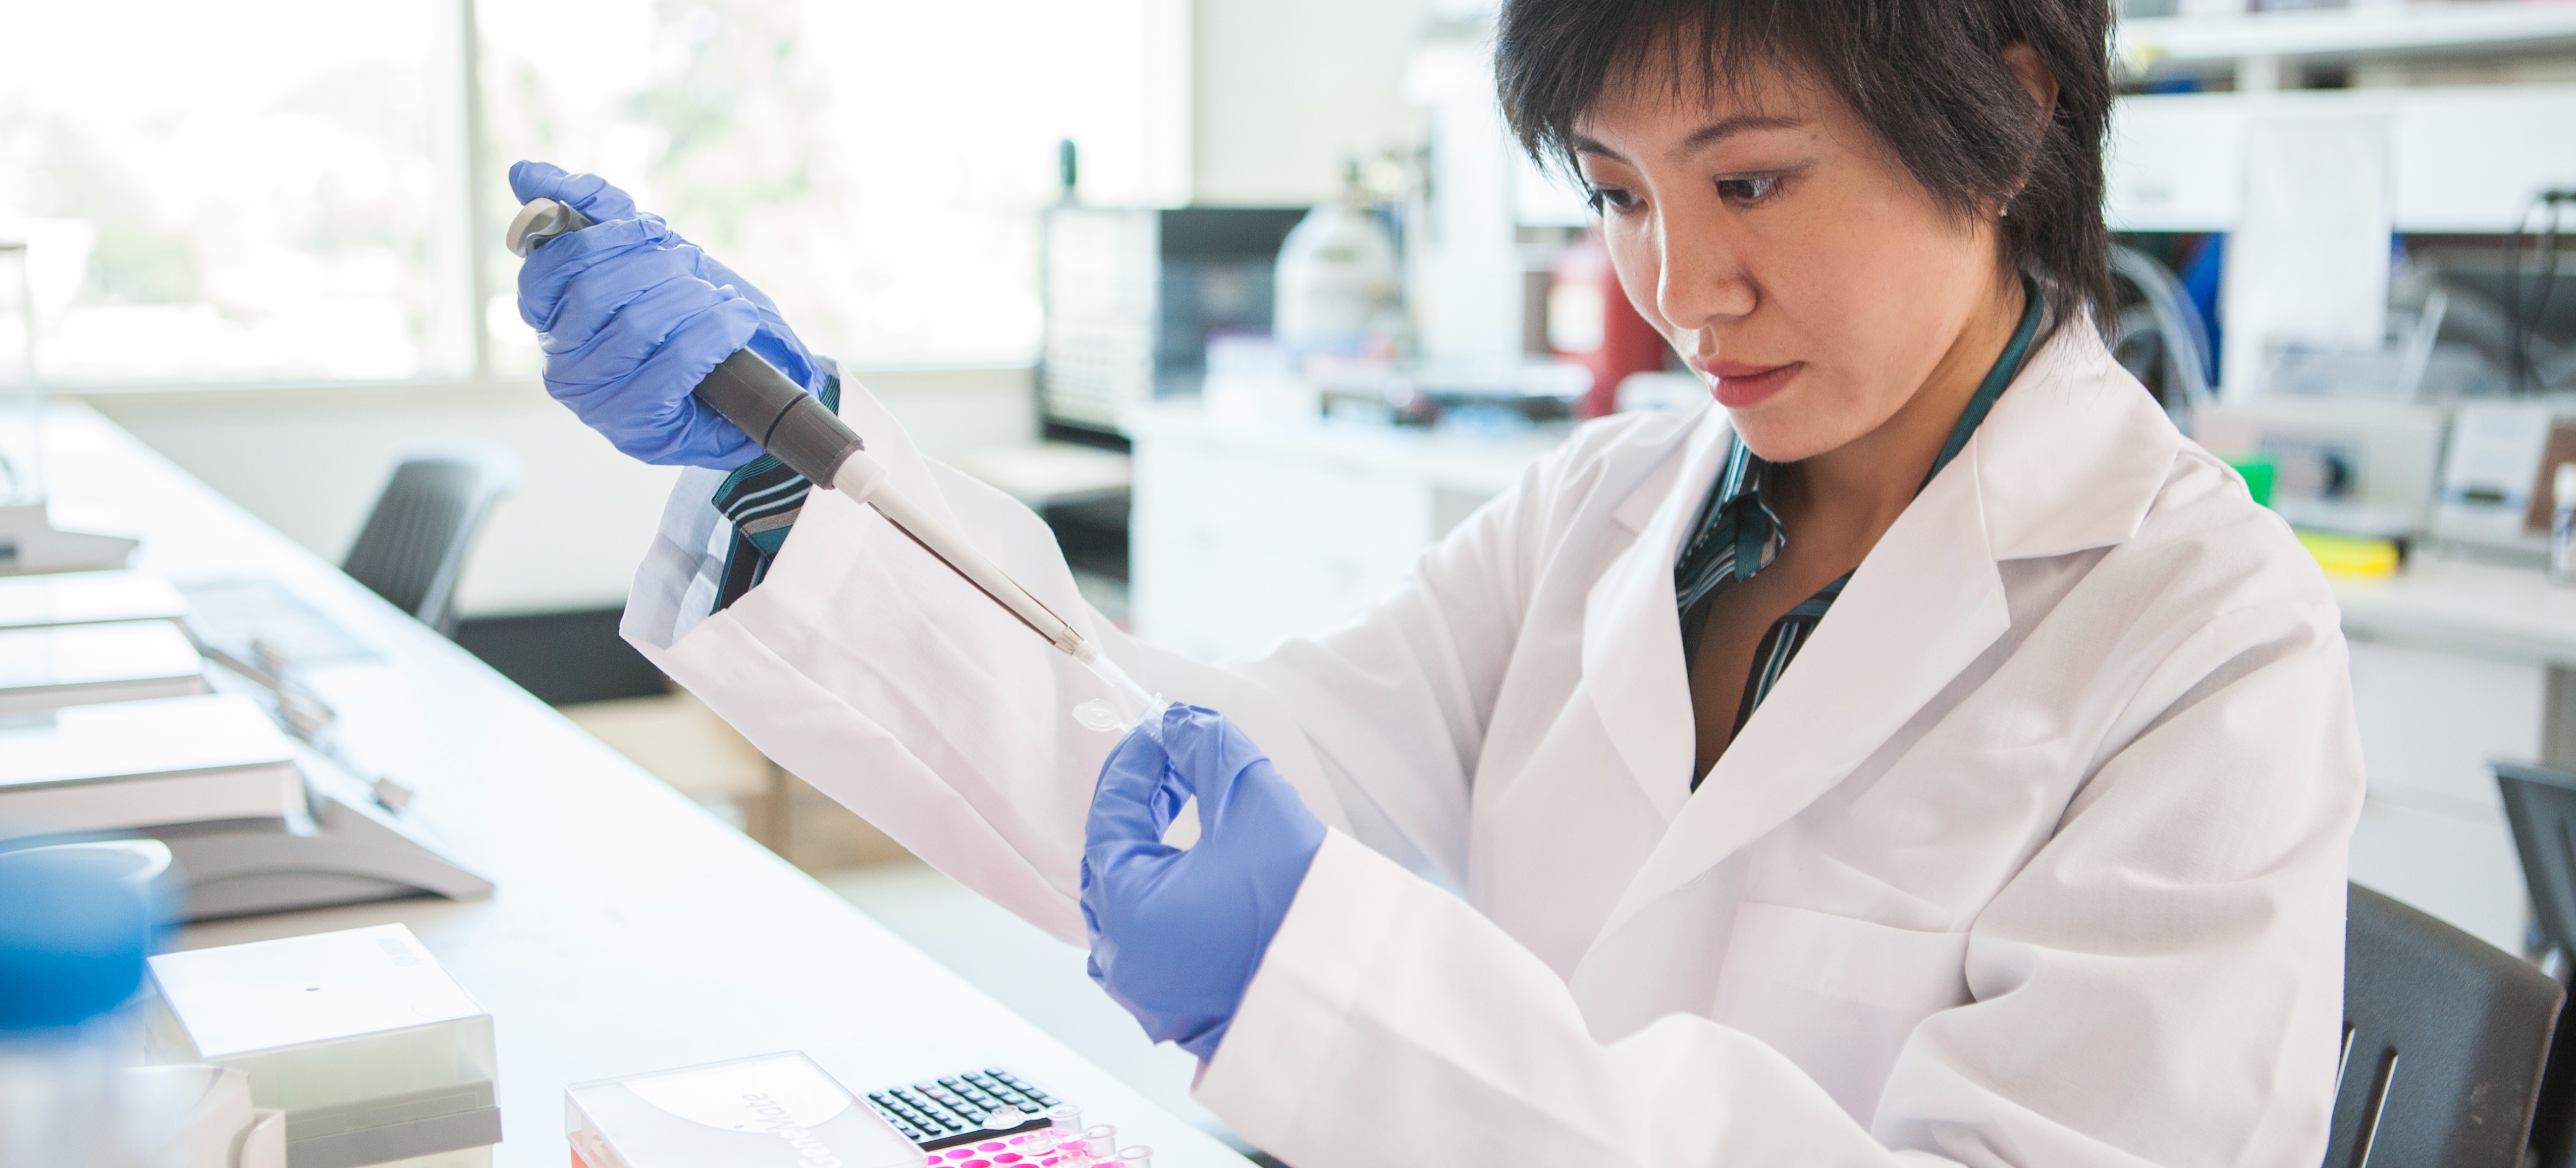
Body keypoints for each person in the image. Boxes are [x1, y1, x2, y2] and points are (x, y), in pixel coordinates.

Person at [511, 0, 2362, 1161]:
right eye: (1622, 191)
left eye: (1757, 182)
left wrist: (1341, 1005)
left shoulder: (2207, 642)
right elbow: (1214, 768)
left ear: (2013, 113)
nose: (1678, 289)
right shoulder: (1614, 506)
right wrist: (807, 467)